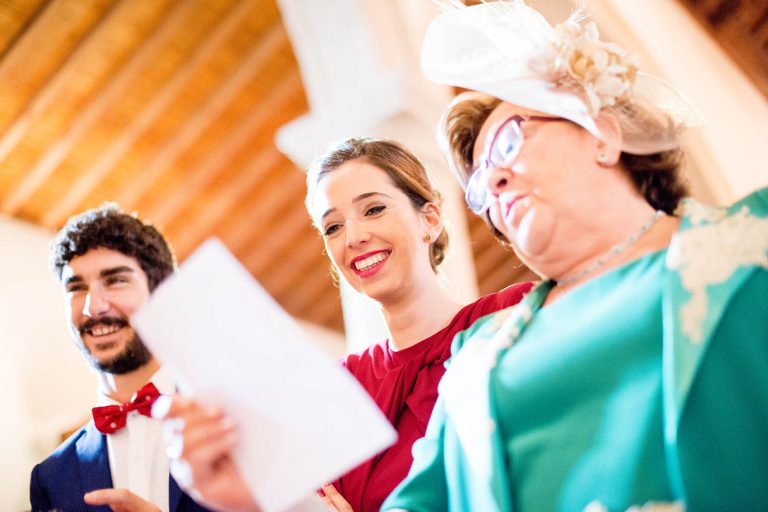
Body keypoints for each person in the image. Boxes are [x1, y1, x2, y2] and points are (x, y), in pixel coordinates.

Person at [382, 2, 768, 511]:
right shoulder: (474, 352)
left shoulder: (756, 238)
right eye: (479, 185)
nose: (492, 180)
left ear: (602, 134)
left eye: (509, 142)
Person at [157, 137, 533, 512]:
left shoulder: (512, 316)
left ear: (430, 219)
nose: (353, 237)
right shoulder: (337, 387)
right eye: (333, 227)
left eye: (373, 209)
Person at [30, 204, 212, 512]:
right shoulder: (51, 477)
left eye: (115, 280)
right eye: (76, 288)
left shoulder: (231, 423)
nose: (93, 307)